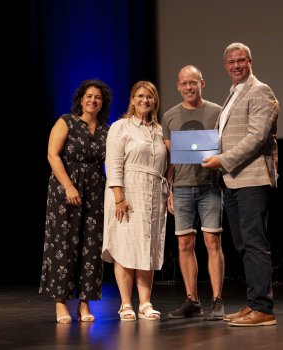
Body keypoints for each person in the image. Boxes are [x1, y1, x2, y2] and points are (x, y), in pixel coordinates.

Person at [202, 42, 279, 327]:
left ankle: (264, 309)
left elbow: (257, 137)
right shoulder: (233, 94)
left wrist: (223, 159)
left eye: (241, 60)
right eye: (231, 62)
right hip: (233, 180)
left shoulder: (260, 90)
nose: (236, 65)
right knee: (243, 244)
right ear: (225, 66)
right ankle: (254, 302)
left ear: (250, 61)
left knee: (255, 243)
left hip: (251, 177)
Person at [39, 79, 112, 323]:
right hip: (66, 189)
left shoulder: (105, 129)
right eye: (89, 96)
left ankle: (84, 303)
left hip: (95, 190)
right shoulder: (66, 121)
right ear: (81, 99)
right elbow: (52, 155)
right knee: (64, 245)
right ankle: (60, 303)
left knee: (91, 246)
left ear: (103, 102)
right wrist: (69, 186)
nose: (93, 100)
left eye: (98, 97)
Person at [161, 65, 225, 320]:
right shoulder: (169, 116)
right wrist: (169, 189)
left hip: (210, 186)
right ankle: (192, 300)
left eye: (193, 82)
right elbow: (171, 158)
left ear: (202, 83)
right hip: (183, 187)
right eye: (184, 83)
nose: (189, 87)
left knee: (212, 241)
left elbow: (226, 147)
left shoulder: (217, 112)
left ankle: (217, 300)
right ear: (178, 86)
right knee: (185, 242)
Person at [102, 81, 168, 322]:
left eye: (150, 97)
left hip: (154, 193)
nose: (145, 100)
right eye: (140, 96)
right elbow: (114, 163)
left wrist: (167, 191)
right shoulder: (121, 127)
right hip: (127, 192)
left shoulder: (160, 131)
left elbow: (166, 165)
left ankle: (145, 303)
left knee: (147, 249)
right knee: (125, 247)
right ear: (131, 99)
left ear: (155, 101)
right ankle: (126, 303)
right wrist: (119, 197)